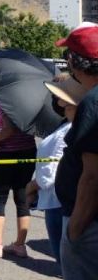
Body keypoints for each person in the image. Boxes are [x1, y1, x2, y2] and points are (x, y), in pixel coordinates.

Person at [45, 22, 98, 280]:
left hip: (87, 216)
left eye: (69, 57)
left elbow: (92, 175)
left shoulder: (92, 102)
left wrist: (75, 226)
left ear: (78, 63)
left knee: (83, 277)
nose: (67, 63)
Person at [28, 75, 84, 267]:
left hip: (58, 200)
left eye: (66, 103)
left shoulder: (70, 130)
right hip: (58, 198)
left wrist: (31, 187)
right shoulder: (67, 125)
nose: (60, 105)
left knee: (67, 261)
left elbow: (50, 175)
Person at [0, 106, 37, 258]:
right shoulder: (30, 101)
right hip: (28, 150)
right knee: (22, 197)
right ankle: (20, 245)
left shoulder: (6, 100)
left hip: (8, 152)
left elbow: (9, 129)